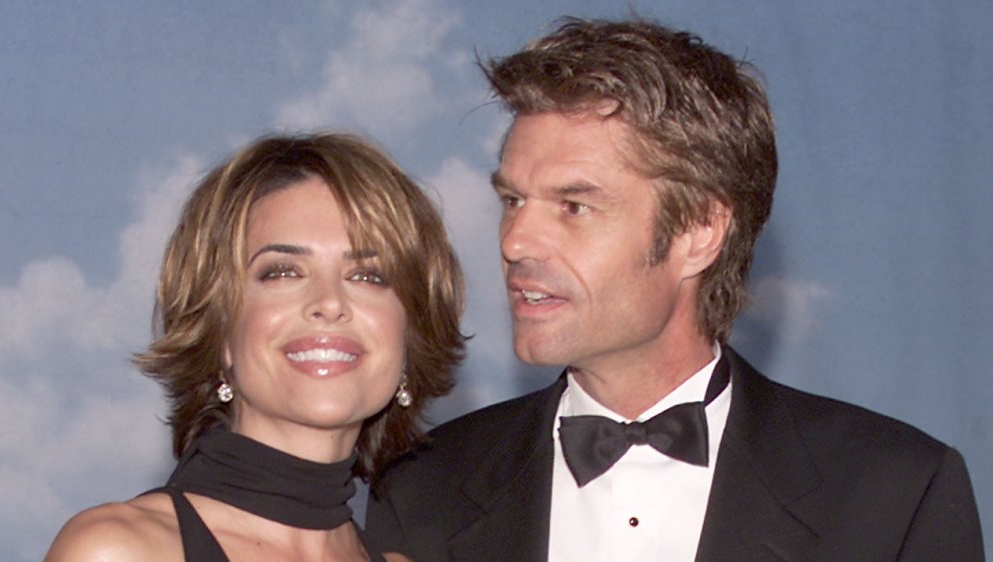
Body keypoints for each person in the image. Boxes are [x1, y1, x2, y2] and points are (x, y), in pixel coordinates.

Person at [364, 17, 984, 561]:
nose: (515, 240)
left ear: (699, 231)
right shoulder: (424, 489)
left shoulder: (896, 492)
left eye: (574, 205)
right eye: (512, 199)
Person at [45, 133, 465, 562]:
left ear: (410, 335)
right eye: (283, 272)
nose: (330, 303)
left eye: (368, 276)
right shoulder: (120, 551)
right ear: (220, 330)